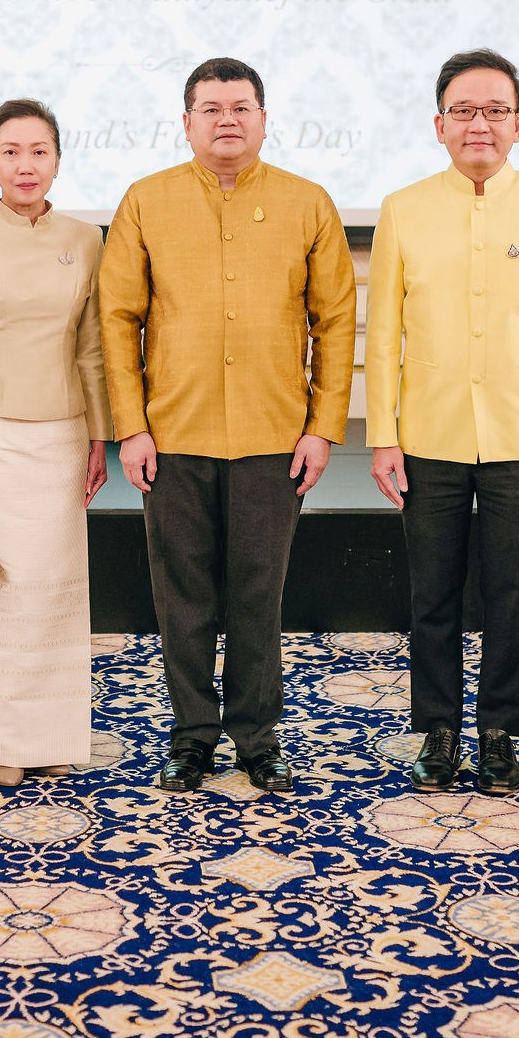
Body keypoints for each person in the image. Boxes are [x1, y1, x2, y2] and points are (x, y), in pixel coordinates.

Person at [100, 57, 357, 794]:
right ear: (186, 123)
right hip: (171, 434)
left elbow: (336, 322)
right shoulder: (146, 202)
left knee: (256, 594)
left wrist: (322, 427)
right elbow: (117, 320)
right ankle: (191, 735)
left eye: (241, 107)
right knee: (182, 597)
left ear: (265, 119)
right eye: (210, 108)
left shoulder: (308, 203)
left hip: (275, 435)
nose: (227, 121)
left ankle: (258, 736)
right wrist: (131, 427)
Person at [365, 49, 519, 797]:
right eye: (463, 110)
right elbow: (385, 331)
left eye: (495, 110)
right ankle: (438, 731)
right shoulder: (404, 208)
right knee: (431, 593)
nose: (479, 124)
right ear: (439, 125)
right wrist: (383, 434)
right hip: (427, 434)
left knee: (510, 594)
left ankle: (499, 733)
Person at [0, 98, 111, 788]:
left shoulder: (86, 238)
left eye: (39, 151)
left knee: (53, 594)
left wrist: (100, 435)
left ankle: (50, 735)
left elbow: (92, 348)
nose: (25, 165)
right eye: (11, 152)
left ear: (58, 159)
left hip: (62, 437)